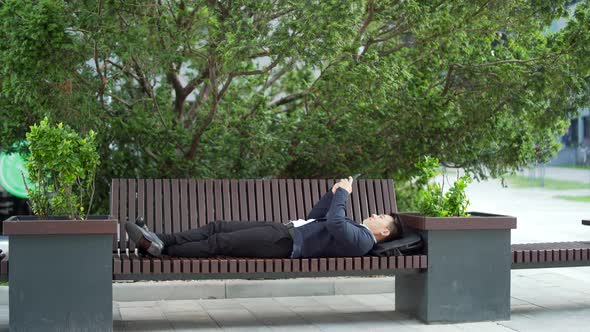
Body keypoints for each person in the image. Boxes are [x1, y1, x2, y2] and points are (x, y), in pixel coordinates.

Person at [125, 176, 400, 258]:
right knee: (217, 226)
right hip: (284, 230)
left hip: (285, 243)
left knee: (220, 242)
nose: (375, 214)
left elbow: (334, 222)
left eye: (381, 217)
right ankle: (157, 239)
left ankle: (162, 250)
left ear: (384, 232)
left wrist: (345, 194)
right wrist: (332, 194)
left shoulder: (364, 241)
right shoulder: (356, 231)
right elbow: (315, 218)